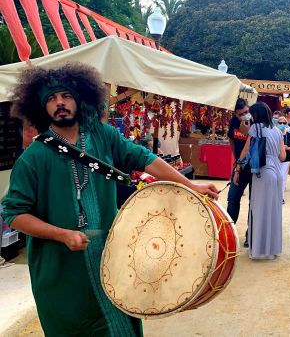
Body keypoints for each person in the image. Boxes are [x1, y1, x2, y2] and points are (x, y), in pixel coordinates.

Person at [1, 63, 219, 337]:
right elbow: (14, 213)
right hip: (62, 276)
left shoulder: (102, 136)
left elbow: (143, 158)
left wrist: (190, 185)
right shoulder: (33, 159)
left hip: (113, 262)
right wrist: (62, 234)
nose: (59, 103)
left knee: (121, 328)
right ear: (40, 108)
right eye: (51, 99)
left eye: (66, 96)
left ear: (79, 99)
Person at [234, 102, 286, 260]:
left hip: (262, 171)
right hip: (276, 171)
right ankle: (272, 249)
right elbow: (282, 156)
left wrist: (237, 168)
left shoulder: (255, 129)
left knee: (258, 210)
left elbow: (245, 150)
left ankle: (257, 250)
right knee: (273, 211)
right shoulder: (277, 130)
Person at [227, 98, 252, 247]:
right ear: (236, 114)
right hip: (239, 168)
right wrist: (236, 160)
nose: (245, 115)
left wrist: (248, 132)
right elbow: (231, 139)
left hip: (254, 168)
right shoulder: (234, 122)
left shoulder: (255, 121)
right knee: (233, 198)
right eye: (242, 113)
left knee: (253, 203)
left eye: (247, 111)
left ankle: (251, 234)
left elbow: (250, 145)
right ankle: (229, 232)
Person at [278, 116, 290, 203]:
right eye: (280, 123)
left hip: (286, 158)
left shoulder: (288, 134)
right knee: (276, 178)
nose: (282, 124)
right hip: (276, 158)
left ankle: (281, 197)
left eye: (284, 123)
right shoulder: (275, 134)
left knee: (283, 178)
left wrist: (288, 148)